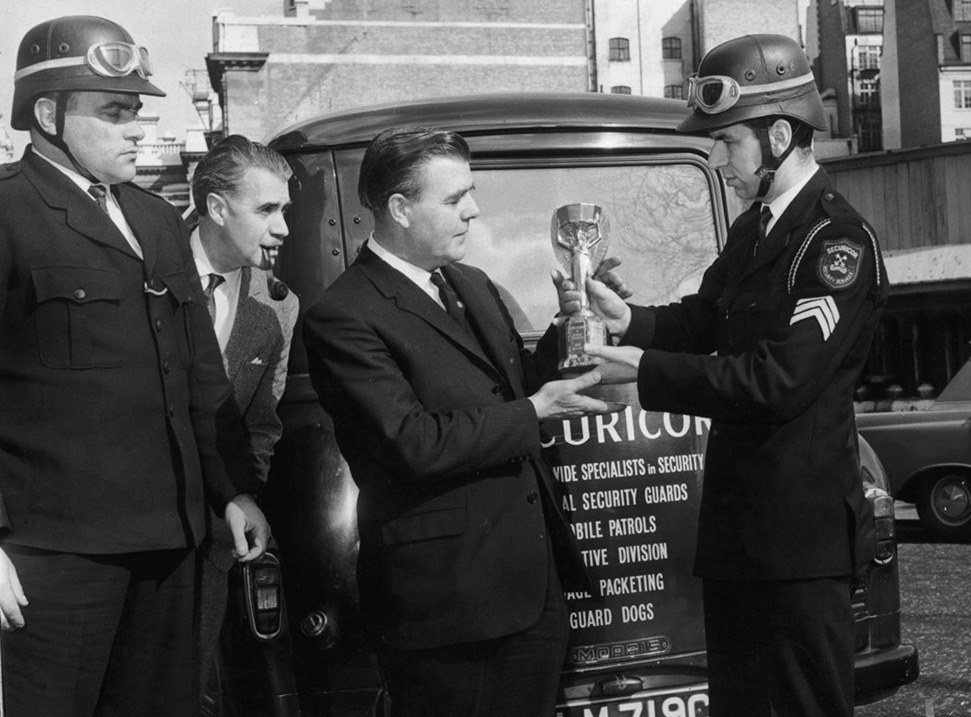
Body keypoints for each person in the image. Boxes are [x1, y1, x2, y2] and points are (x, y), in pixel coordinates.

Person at [574, 34, 889, 717]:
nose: (717, 159)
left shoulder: (835, 244)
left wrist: (645, 370)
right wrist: (626, 318)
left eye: (727, 142)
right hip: (738, 538)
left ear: (779, 134)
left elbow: (777, 379)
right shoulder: (755, 230)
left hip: (798, 548)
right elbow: (701, 319)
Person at [0, 16, 269, 716]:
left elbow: (198, 372)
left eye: (136, 112)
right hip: (55, 555)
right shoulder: (7, 213)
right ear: (48, 114)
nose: (135, 129)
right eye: (114, 112)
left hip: (172, 543)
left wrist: (230, 491)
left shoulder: (154, 218)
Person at [302, 126, 615, 717]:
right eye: (453, 199)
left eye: (468, 193)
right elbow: (411, 443)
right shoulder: (342, 316)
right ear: (398, 208)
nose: (473, 211)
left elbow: (511, 384)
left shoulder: (470, 283)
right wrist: (536, 412)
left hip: (529, 586)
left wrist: (569, 324)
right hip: (448, 607)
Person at [189, 134, 299, 708]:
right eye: (266, 210)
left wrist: (244, 493)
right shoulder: (144, 270)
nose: (282, 227)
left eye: (284, 209)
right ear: (214, 207)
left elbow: (261, 422)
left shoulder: (279, 305)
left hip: (211, 542)